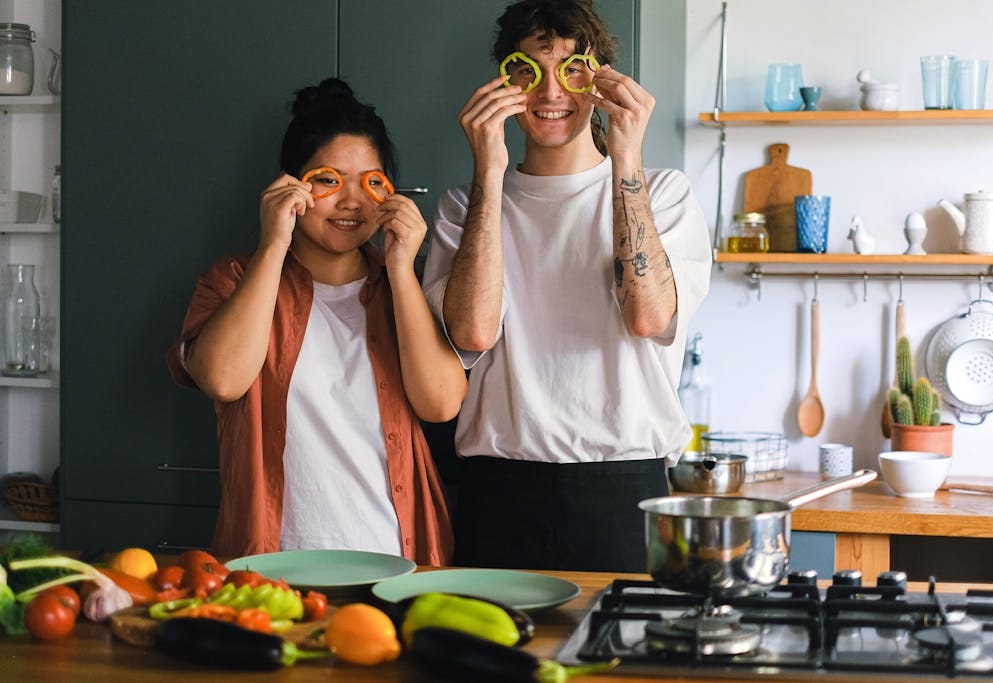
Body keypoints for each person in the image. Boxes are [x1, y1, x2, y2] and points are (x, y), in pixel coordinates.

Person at [421, 0, 712, 572]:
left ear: (601, 80)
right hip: (496, 491)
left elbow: (648, 317)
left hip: (627, 489)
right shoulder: (465, 205)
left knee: (621, 656)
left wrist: (626, 156)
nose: (552, 93)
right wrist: (488, 171)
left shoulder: (667, 194)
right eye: (531, 71)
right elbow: (474, 332)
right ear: (505, 83)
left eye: (572, 69)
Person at [167, 78, 465, 565]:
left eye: (371, 182)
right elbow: (222, 379)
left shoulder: (404, 287)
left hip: (396, 560)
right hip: (273, 565)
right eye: (329, 180)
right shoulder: (235, 278)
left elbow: (441, 404)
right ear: (291, 187)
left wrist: (400, 270)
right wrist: (272, 244)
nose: (352, 202)